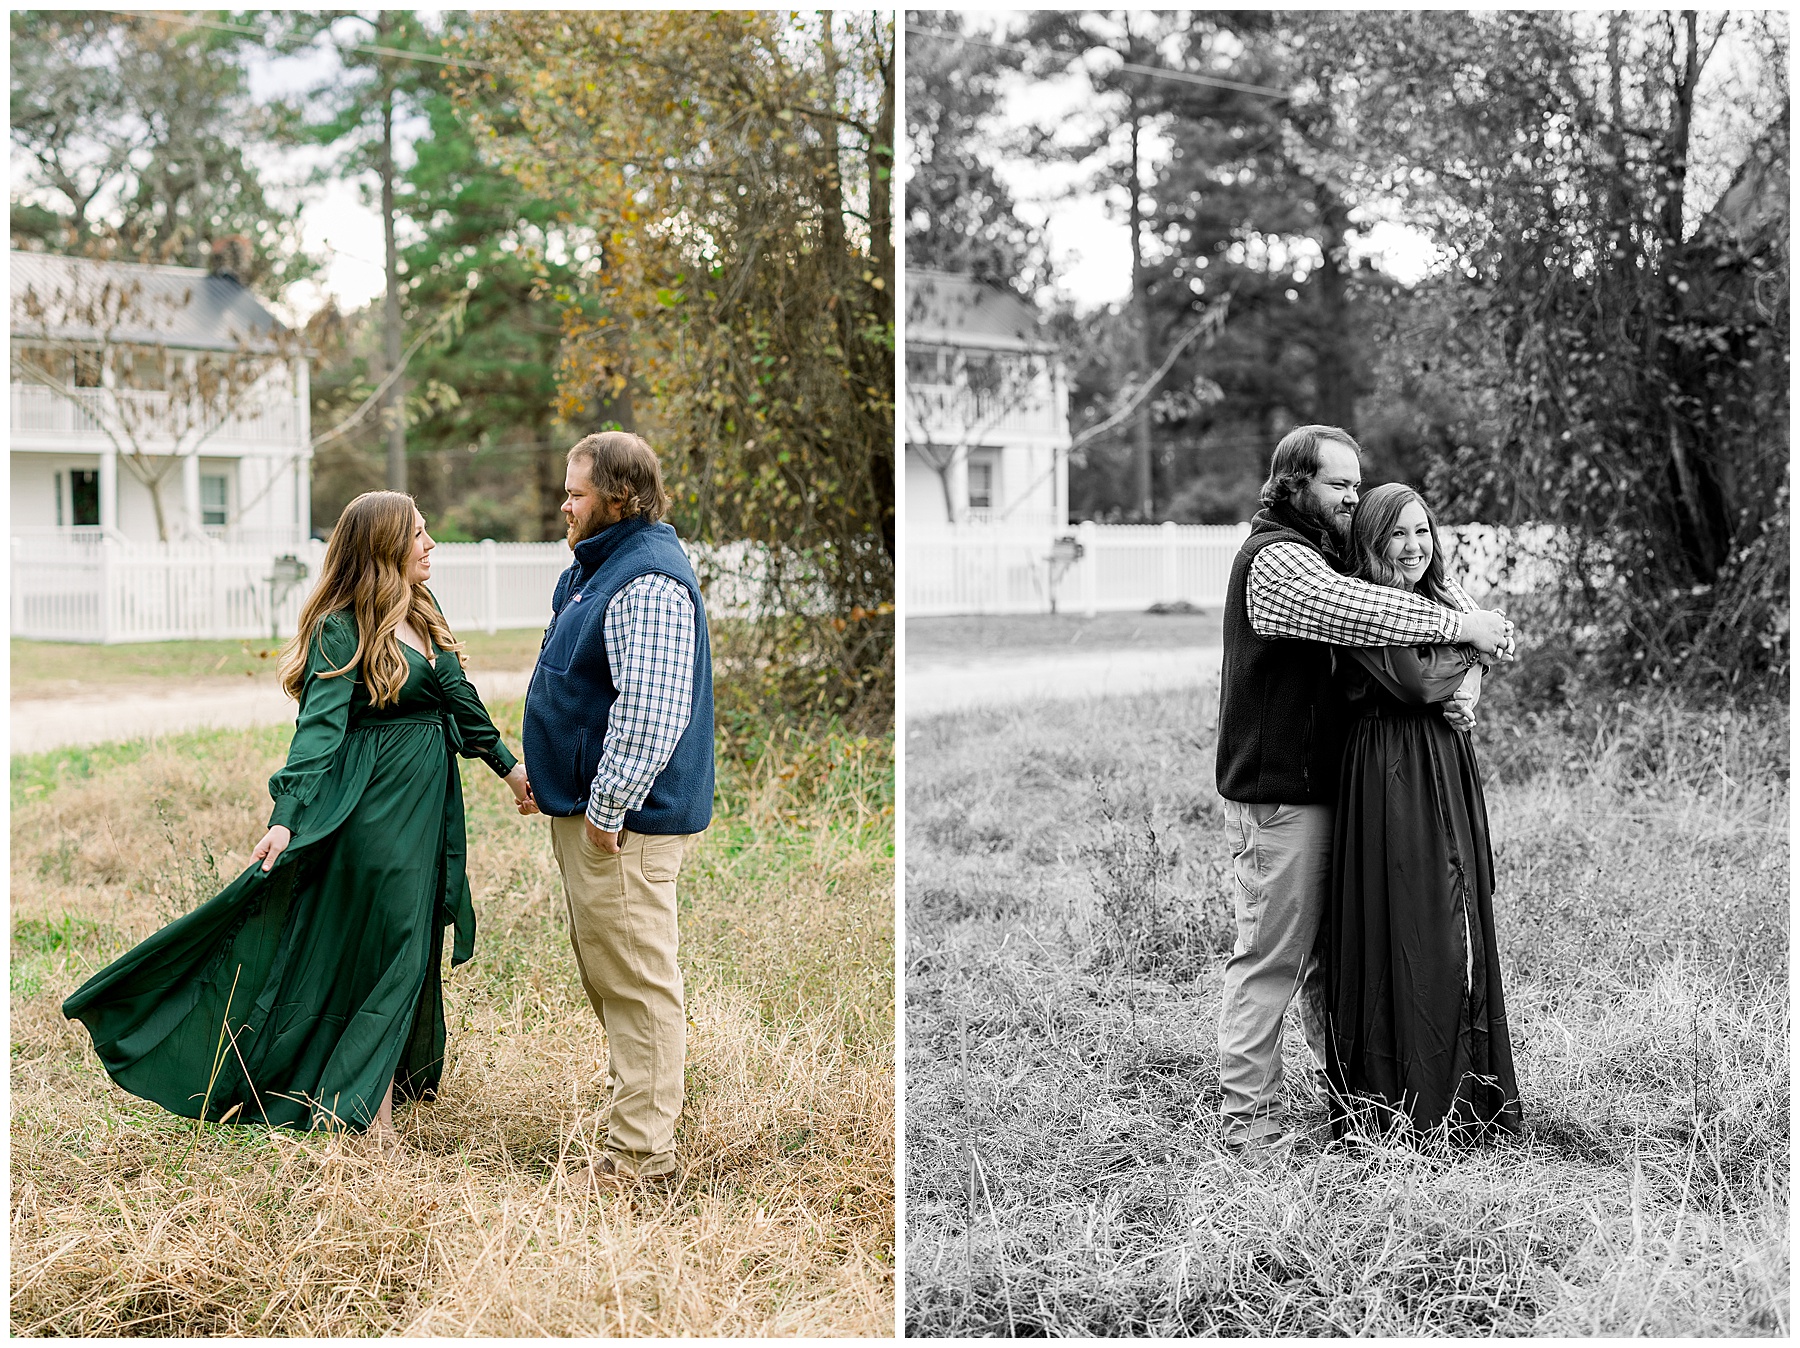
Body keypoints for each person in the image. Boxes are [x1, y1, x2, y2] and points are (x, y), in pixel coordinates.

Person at [63, 491, 536, 1144]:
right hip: (372, 807)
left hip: (428, 805)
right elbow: (318, 730)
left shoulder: (423, 611)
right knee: (397, 948)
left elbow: (462, 702)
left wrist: (512, 771)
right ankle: (369, 1120)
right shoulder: (341, 626)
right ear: (382, 548)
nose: (431, 544)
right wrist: (286, 816)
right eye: (418, 534)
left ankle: (372, 1097)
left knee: (409, 942)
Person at [1213, 425, 1515, 1154]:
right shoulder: (1278, 560)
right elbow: (1367, 612)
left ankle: (1357, 1102)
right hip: (1280, 793)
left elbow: (1428, 591)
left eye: (1356, 483)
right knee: (1272, 959)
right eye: (1336, 484)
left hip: (1332, 793)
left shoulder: (1330, 550)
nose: (1352, 495)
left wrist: (1474, 661)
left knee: (1331, 964)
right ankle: (1249, 1131)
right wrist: (1464, 628)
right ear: (1294, 485)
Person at [523, 431, 714, 1186]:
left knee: (637, 982)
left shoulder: (649, 581)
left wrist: (605, 809)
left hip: (624, 827)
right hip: (593, 816)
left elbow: (652, 712)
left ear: (619, 498)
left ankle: (639, 1159)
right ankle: (635, 1120)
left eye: (575, 493)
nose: (563, 505)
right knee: (612, 976)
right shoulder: (595, 570)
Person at [1320, 483, 1522, 1139]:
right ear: (1373, 543)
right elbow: (1413, 679)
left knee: (1456, 915)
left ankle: (1464, 1097)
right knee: (1403, 923)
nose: (1412, 547)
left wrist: (1473, 669)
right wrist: (1470, 655)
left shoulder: (1438, 601)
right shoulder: (1366, 608)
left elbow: (1495, 643)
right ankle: (1398, 1105)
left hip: (1444, 765)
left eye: (1422, 532)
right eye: (1397, 534)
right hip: (1390, 774)